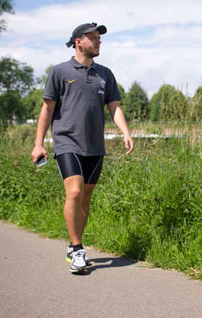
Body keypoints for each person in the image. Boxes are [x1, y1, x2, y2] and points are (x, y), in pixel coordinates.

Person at [31, 22, 134, 274]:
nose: (99, 42)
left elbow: (114, 106)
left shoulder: (105, 74)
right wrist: (38, 144)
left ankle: (72, 243)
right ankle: (78, 250)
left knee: (85, 198)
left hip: (95, 146)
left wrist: (126, 132)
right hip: (67, 141)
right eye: (94, 38)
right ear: (78, 41)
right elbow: (47, 108)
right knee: (75, 193)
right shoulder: (59, 71)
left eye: (99, 38)